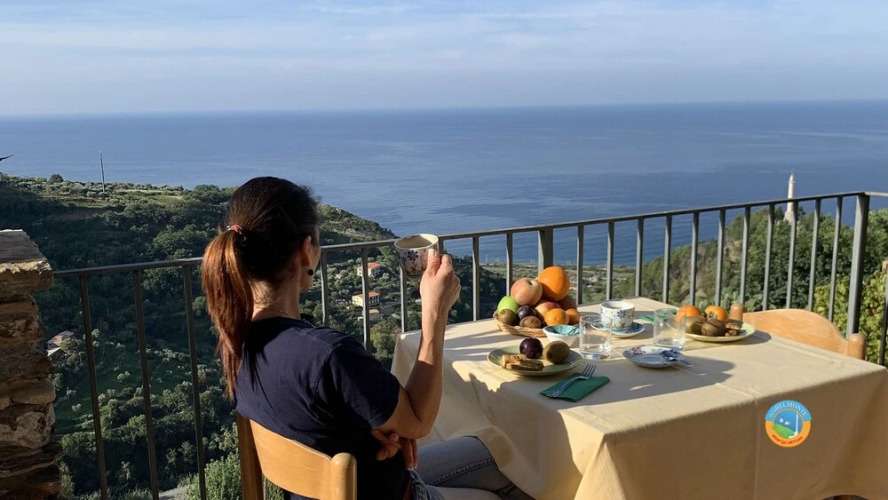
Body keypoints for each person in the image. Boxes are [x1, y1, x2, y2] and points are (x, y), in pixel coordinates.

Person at [201, 177, 532, 500]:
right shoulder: (328, 356)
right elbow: (418, 421)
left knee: (500, 453)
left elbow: (311, 415)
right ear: (305, 253)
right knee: (522, 471)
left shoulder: (236, 342)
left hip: (347, 483)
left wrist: (367, 425)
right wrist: (435, 311)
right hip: (390, 491)